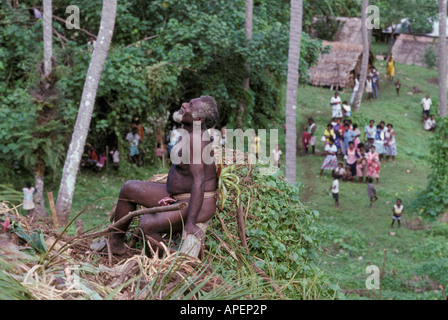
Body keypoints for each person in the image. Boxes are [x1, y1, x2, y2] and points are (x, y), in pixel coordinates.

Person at [109, 96, 219, 255]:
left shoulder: (197, 139)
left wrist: (190, 223)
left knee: (146, 224)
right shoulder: (188, 130)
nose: (184, 104)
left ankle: (172, 259)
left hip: (195, 203)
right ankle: (115, 244)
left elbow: (199, 182)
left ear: (199, 119)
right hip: (178, 195)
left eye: (190, 106)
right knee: (129, 189)